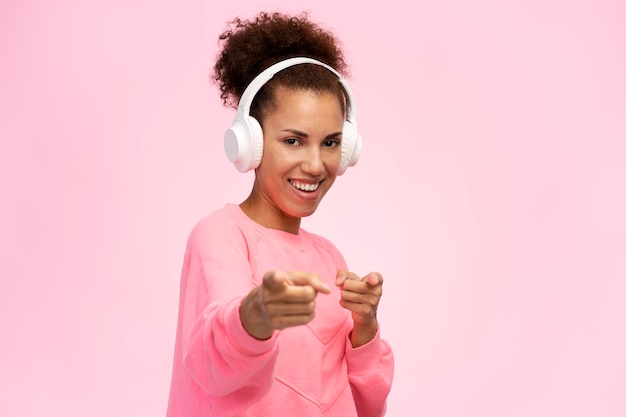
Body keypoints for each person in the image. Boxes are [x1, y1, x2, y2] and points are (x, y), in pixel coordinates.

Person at [166, 11, 394, 417]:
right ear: (249, 143)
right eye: (293, 140)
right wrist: (256, 314)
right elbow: (212, 360)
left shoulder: (329, 257)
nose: (314, 164)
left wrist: (365, 326)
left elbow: (367, 406)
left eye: (330, 143)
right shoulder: (220, 235)